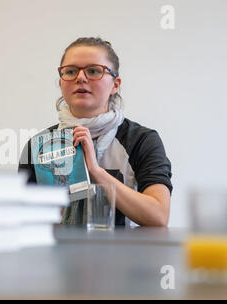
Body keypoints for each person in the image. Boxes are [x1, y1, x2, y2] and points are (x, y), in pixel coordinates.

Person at [19, 37, 172, 227]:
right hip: (58, 255)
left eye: (93, 71)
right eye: (71, 71)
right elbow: (23, 219)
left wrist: (96, 172)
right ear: (61, 82)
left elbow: (158, 216)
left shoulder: (141, 140)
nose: (80, 78)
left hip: (125, 256)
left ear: (115, 85)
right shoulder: (40, 145)